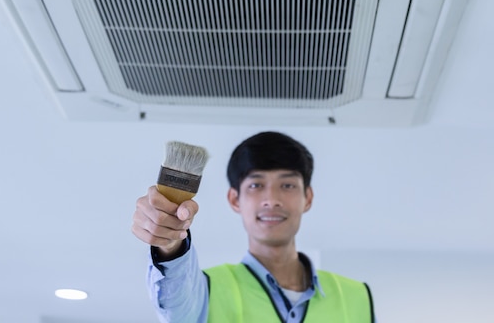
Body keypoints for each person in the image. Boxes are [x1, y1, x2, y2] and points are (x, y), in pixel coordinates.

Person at [132, 131, 375, 322]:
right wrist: (171, 243)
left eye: (287, 185)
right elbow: (175, 305)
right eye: (256, 185)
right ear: (235, 199)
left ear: (308, 197)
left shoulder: (358, 297)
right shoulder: (205, 292)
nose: (272, 199)